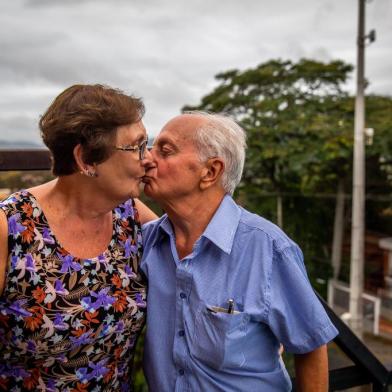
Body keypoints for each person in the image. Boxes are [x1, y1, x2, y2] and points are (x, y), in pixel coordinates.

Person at [141, 111, 338, 391]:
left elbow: (311, 345)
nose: (148, 159)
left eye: (165, 150)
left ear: (210, 172)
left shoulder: (267, 248)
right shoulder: (149, 241)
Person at [0, 84, 157, 391]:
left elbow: (197, 260)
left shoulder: (131, 215)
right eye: (137, 146)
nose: (148, 158)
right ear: (86, 159)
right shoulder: (11, 226)